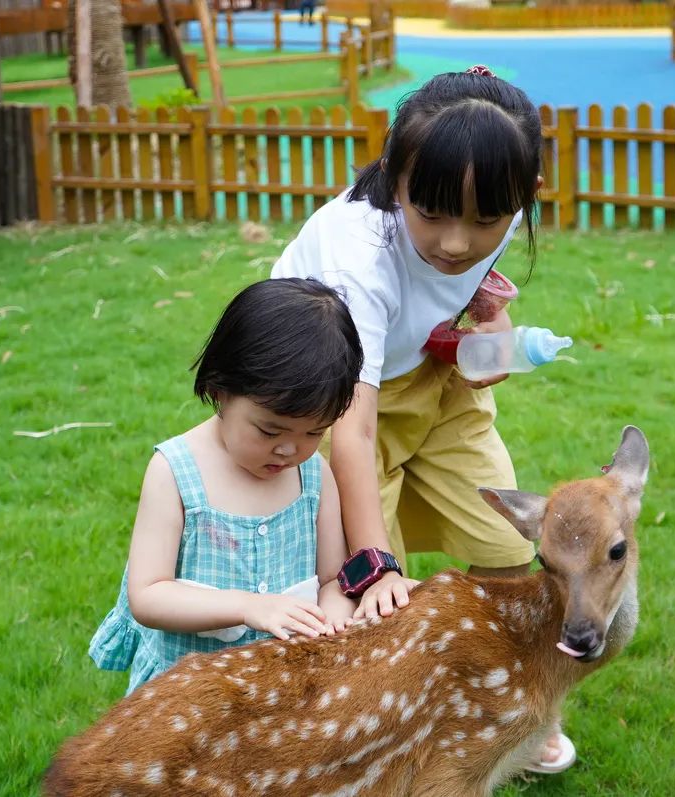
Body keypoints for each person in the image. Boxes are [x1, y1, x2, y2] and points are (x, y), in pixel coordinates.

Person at [271, 68, 576, 774]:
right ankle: (369, 741)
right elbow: (351, 424)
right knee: (368, 597)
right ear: (398, 177)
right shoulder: (359, 257)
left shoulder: (492, 207)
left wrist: (491, 320)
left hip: (434, 385)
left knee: (505, 539)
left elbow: (467, 275)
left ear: (521, 198)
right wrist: (371, 562)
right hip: (331, 399)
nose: (455, 242)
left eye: (484, 219)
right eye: (432, 212)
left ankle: (496, 707)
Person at [88, 278, 364, 694]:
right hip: (187, 699)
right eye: (270, 430)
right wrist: (248, 607)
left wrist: (332, 622)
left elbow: (331, 579)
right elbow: (147, 595)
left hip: (284, 688)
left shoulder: (314, 476)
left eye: (314, 433)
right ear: (220, 391)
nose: (289, 449)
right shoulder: (175, 473)